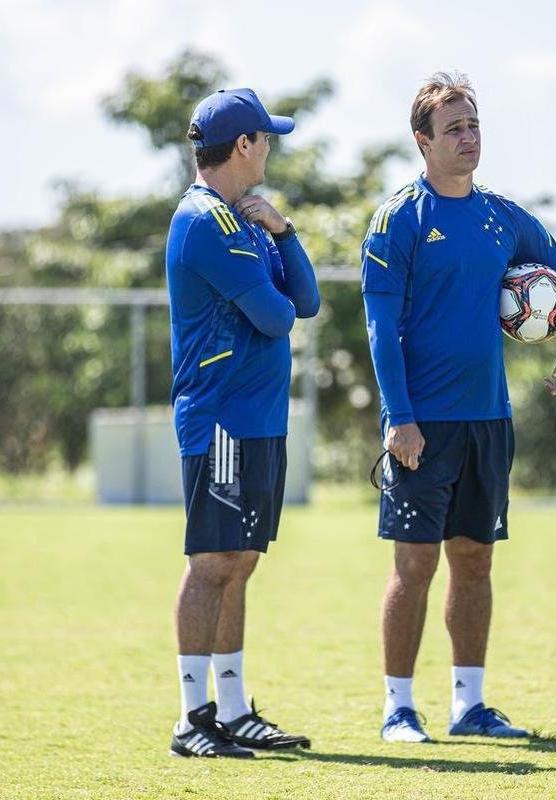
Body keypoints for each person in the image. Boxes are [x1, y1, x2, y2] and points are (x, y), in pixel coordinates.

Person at [360, 72, 556, 743]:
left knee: (475, 562)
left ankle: (469, 707)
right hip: (422, 426)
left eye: (474, 125)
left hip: (488, 422)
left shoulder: (503, 217)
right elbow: (380, 328)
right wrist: (399, 418)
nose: (468, 138)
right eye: (454, 128)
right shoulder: (399, 220)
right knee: (414, 567)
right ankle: (398, 709)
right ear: (423, 141)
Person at [164, 87, 320, 758]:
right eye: (267, 137)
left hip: (257, 421)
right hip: (222, 421)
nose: (271, 148)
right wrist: (271, 261)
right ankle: (191, 719)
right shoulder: (206, 221)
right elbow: (277, 317)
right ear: (246, 145)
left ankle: (231, 709)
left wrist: (284, 232)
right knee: (213, 561)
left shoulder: (248, 219)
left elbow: (306, 302)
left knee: (242, 560)